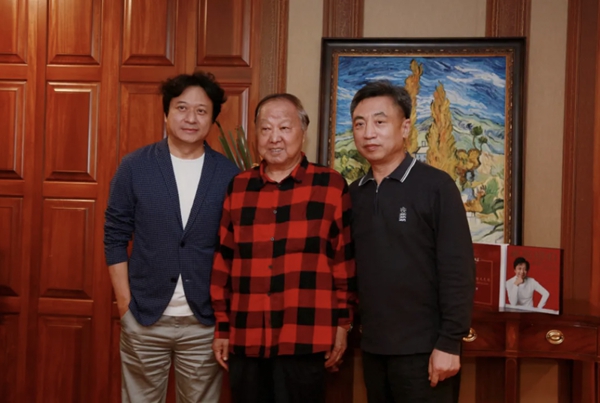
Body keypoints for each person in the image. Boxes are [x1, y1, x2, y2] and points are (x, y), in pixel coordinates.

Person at [210, 93, 357, 403]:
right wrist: (222, 327)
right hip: (246, 335)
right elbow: (224, 261)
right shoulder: (239, 187)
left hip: (306, 336)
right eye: (265, 129)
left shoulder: (330, 185)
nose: (274, 137)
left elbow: (342, 262)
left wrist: (343, 324)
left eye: (284, 128)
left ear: (303, 131)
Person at [104, 71, 239, 402]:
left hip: (203, 322)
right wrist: (124, 304)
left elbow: (235, 249)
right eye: (182, 108)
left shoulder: (229, 175)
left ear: (213, 119)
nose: (191, 118)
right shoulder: (135, 166)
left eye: (201, 111)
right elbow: (115, 235)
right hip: (144, 317)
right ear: (166, 112)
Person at [348, 80, 475, 403]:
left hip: (426, 350)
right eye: (359, 124)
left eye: (380, 122)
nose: (368, 133)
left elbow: (458, 269)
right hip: (373, 347)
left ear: (405, 128)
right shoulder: (354, 194)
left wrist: (450, 342)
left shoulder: (436, 186)